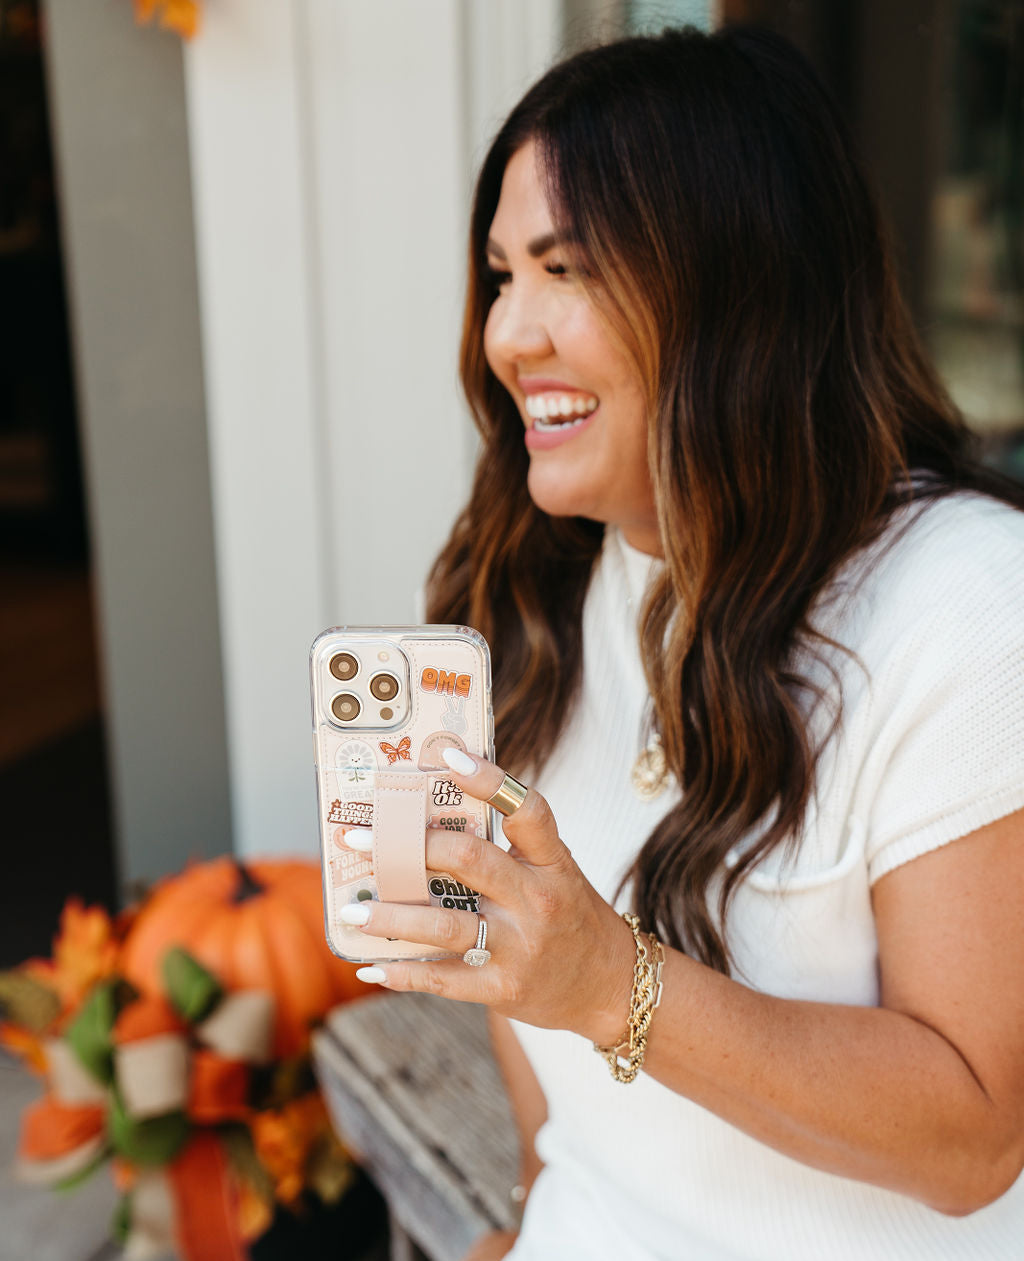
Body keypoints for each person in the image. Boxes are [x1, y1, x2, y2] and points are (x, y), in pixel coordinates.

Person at [347, 25, 1024, 1260]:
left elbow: (973, 1135)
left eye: (566, 269)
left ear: (737, 288)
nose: (507, 335)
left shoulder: (968, 602)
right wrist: (537, 1215)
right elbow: (524, 1007)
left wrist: (612, 982)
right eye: (500, 277)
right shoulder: (539, 574)